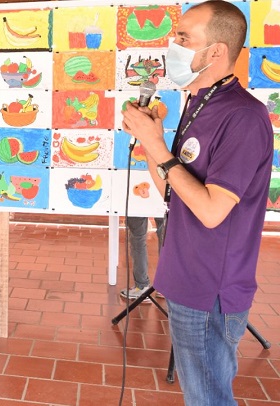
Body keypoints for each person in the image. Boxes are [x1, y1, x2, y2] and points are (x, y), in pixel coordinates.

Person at [121, 2, 272, 404]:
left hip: (211, 289)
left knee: (207, 397)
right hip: (183, 276)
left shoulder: (243, 116)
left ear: (217, 52)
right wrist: (151, 149)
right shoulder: (198, 102)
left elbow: (210, 210)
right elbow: (175, 193)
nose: (174, 45)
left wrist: (157, 145)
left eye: (184, 39)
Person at [120, 217, 165, 301]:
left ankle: (141, 286)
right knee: (165, 235)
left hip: (137, 204)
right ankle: (166, 286)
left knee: (137, 237)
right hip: (165, 204)